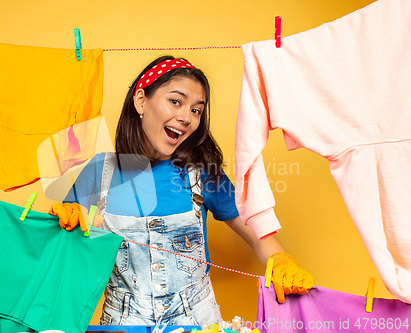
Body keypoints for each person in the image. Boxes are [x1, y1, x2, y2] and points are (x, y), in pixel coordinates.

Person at [48, 56, 313, 326]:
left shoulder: (202, 174)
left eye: (197, 110)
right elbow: (64, 263)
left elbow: (259, 236)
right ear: (141, 101)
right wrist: (60, 225)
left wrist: (281, 260)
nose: (187, 117)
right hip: (123, 325)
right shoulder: (98, 173)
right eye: (176, 101)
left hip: (199, 323)